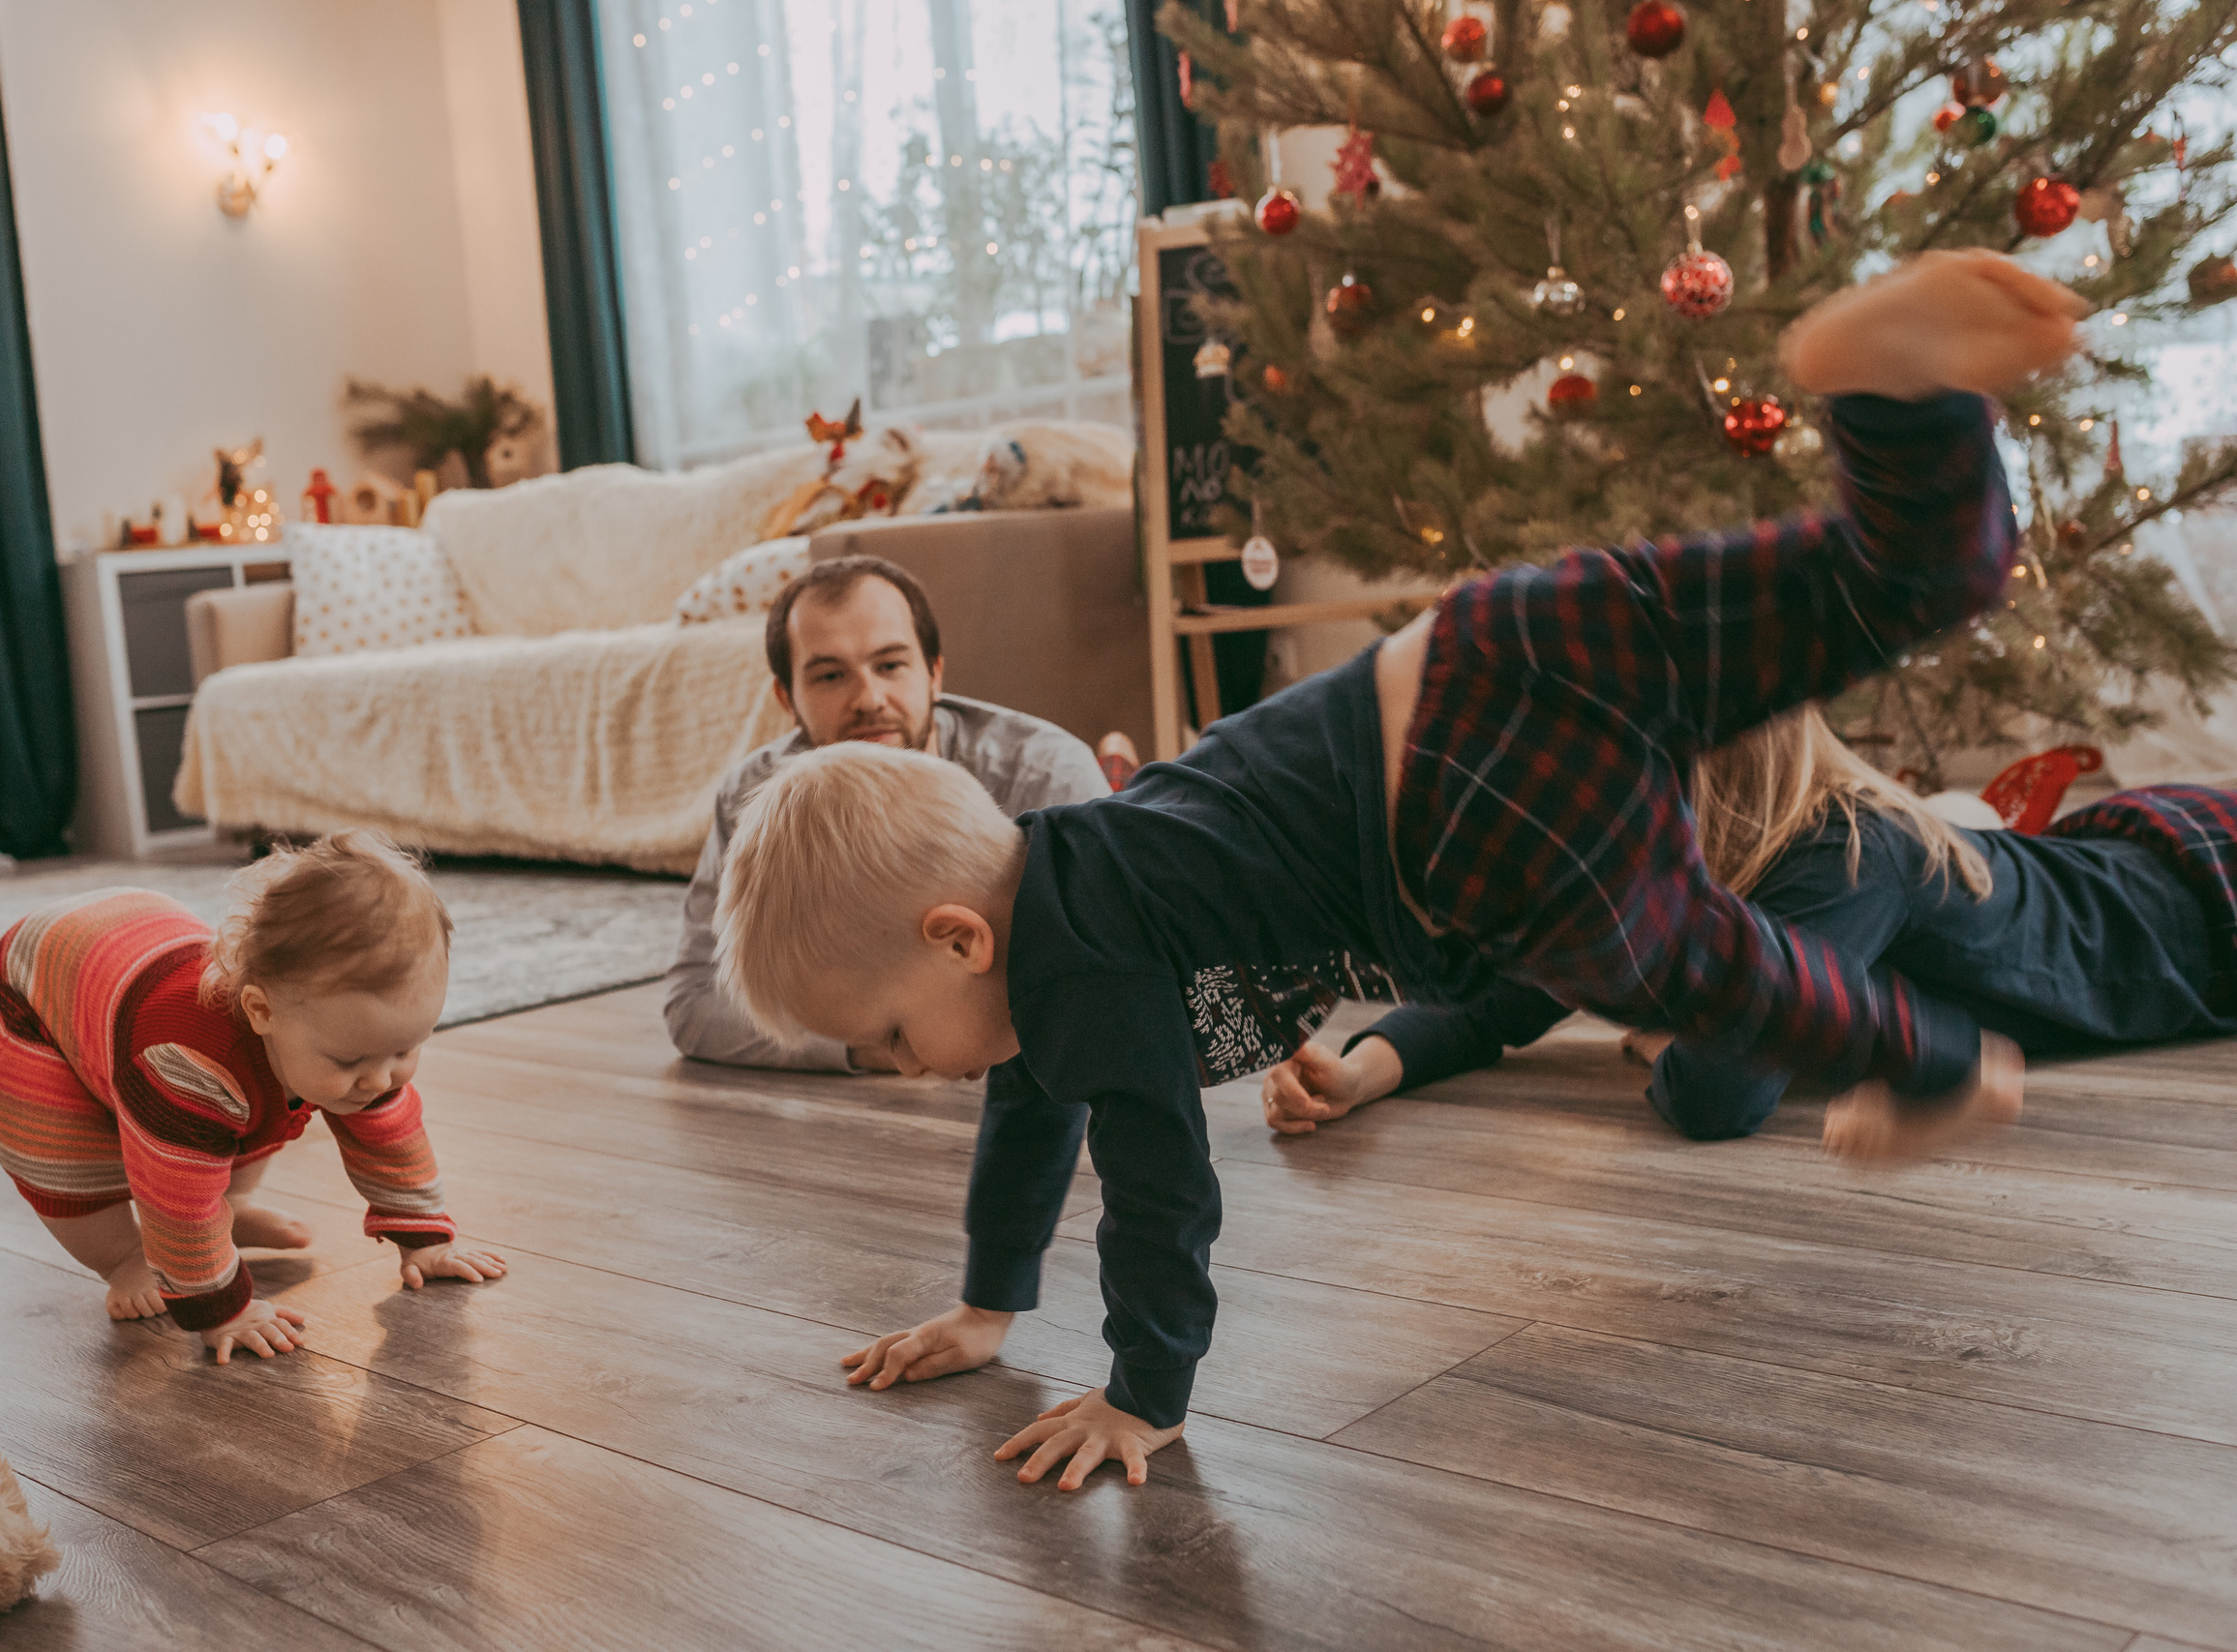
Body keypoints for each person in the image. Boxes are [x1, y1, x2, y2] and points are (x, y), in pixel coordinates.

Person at [710, 252, 2113, 1492]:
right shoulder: (1067, 890)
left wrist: (1144, 1392)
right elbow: (1029, 1117)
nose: (901, 1066)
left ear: (957, 938)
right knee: (1868, 590)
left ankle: (1929, 1058)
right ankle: (1899, 397)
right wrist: (987, 1303)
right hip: (1484, 641)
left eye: (884, 1034)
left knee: (1683, 954)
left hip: (1463, 798)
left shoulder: (1074, 966)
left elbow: (1157, 1184)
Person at [1265, 706, 2237, 1141]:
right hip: (2116, 863)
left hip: (2182, 917)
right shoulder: (1685, 869)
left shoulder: (1841, 853)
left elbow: (1716, 1098)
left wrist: (1659, 1042)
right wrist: (1361, 1069)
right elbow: (1498, 999)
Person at [0, 832, 507, 1365]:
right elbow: (175, 1200)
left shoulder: (357, 1046)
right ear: (260, 1011)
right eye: (350, 1063)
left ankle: (228, 1210)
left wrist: (426, 1239)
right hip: (33, 993)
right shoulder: (188, 1065)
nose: (379, 1080)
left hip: (131, 934)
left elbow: (391, 1138)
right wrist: (221, 1308)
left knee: (256, 1112)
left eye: (406, 1049)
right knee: (66, 1163)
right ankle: (125, 1258)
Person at [665, 554, 1110, 1069]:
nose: (869, 698)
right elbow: (694, 1003)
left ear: (935, 673)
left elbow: (1101, 980)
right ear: (787, 698)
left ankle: (1118, 783)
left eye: (891, 665)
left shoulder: (1046, 775)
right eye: (830, 676)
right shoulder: (756, 798)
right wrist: (888, 1041)